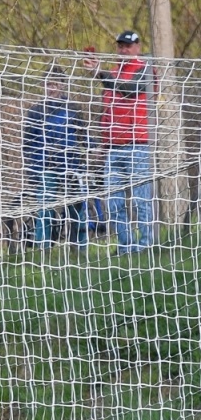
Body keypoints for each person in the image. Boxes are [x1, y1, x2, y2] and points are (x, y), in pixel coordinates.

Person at [84, 31, 156, 253]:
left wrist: (99, 73)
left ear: (137, 47)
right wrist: (101, 145)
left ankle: (146, 246)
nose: (124, 50)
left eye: (128, 46)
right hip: (113, 150)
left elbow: (129, 91)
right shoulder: (114, 74)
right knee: (114, 203)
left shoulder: (146, 69)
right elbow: (107, 115)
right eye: (120, 46)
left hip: (137, 146)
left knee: (140, 200)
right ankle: (126, 245)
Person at [22, 67, 88, 247]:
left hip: (70, 166)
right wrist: (32, 170)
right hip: (45, 167)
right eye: (48, 84)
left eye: (55, 84)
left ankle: (79, 247)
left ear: (63, 85)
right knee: (45, 208)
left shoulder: (73, 108)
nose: (52, 88)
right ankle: (43, 247)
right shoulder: (36, 111)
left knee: (76, 208)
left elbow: (83, 136)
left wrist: (95, 149)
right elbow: (27, 144)